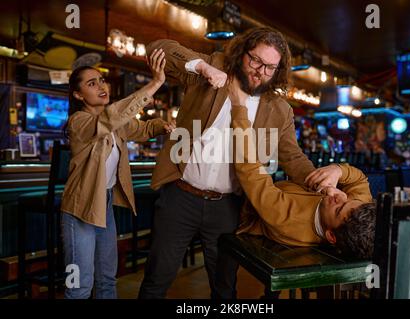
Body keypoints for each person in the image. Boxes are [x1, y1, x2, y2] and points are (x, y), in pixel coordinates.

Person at [139, 27, 316, 299]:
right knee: (156, 279)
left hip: (229, 207)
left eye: (270, 67)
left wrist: (319, 180)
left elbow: (293, 157)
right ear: (241, 52)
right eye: (256, 60)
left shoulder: (280, 110)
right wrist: (202, 68)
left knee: (224, 288)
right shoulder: (211, 69)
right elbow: (156, 47)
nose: (261, 71)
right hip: (180, 196)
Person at [60, 49, 175, 299]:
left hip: (105, 203)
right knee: (79, 286)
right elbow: (112, 119)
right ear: (78, 95)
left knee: (107, 280)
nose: (101, 85)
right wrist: (155, 83)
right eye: (92, 83)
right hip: (80, 208)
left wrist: (162, 125)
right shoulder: (79, 122)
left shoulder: (114, 122)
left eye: (102, 80)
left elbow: (142, 128)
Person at [228, 77, 376, 260]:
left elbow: (250, 170)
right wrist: (338, 170)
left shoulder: (286, 219)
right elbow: (360, 180)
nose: (338, 196)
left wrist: (238, 107)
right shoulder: (358, 208)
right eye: (348, 199)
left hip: (242, 204)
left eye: (338, 208)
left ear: (330, 235)